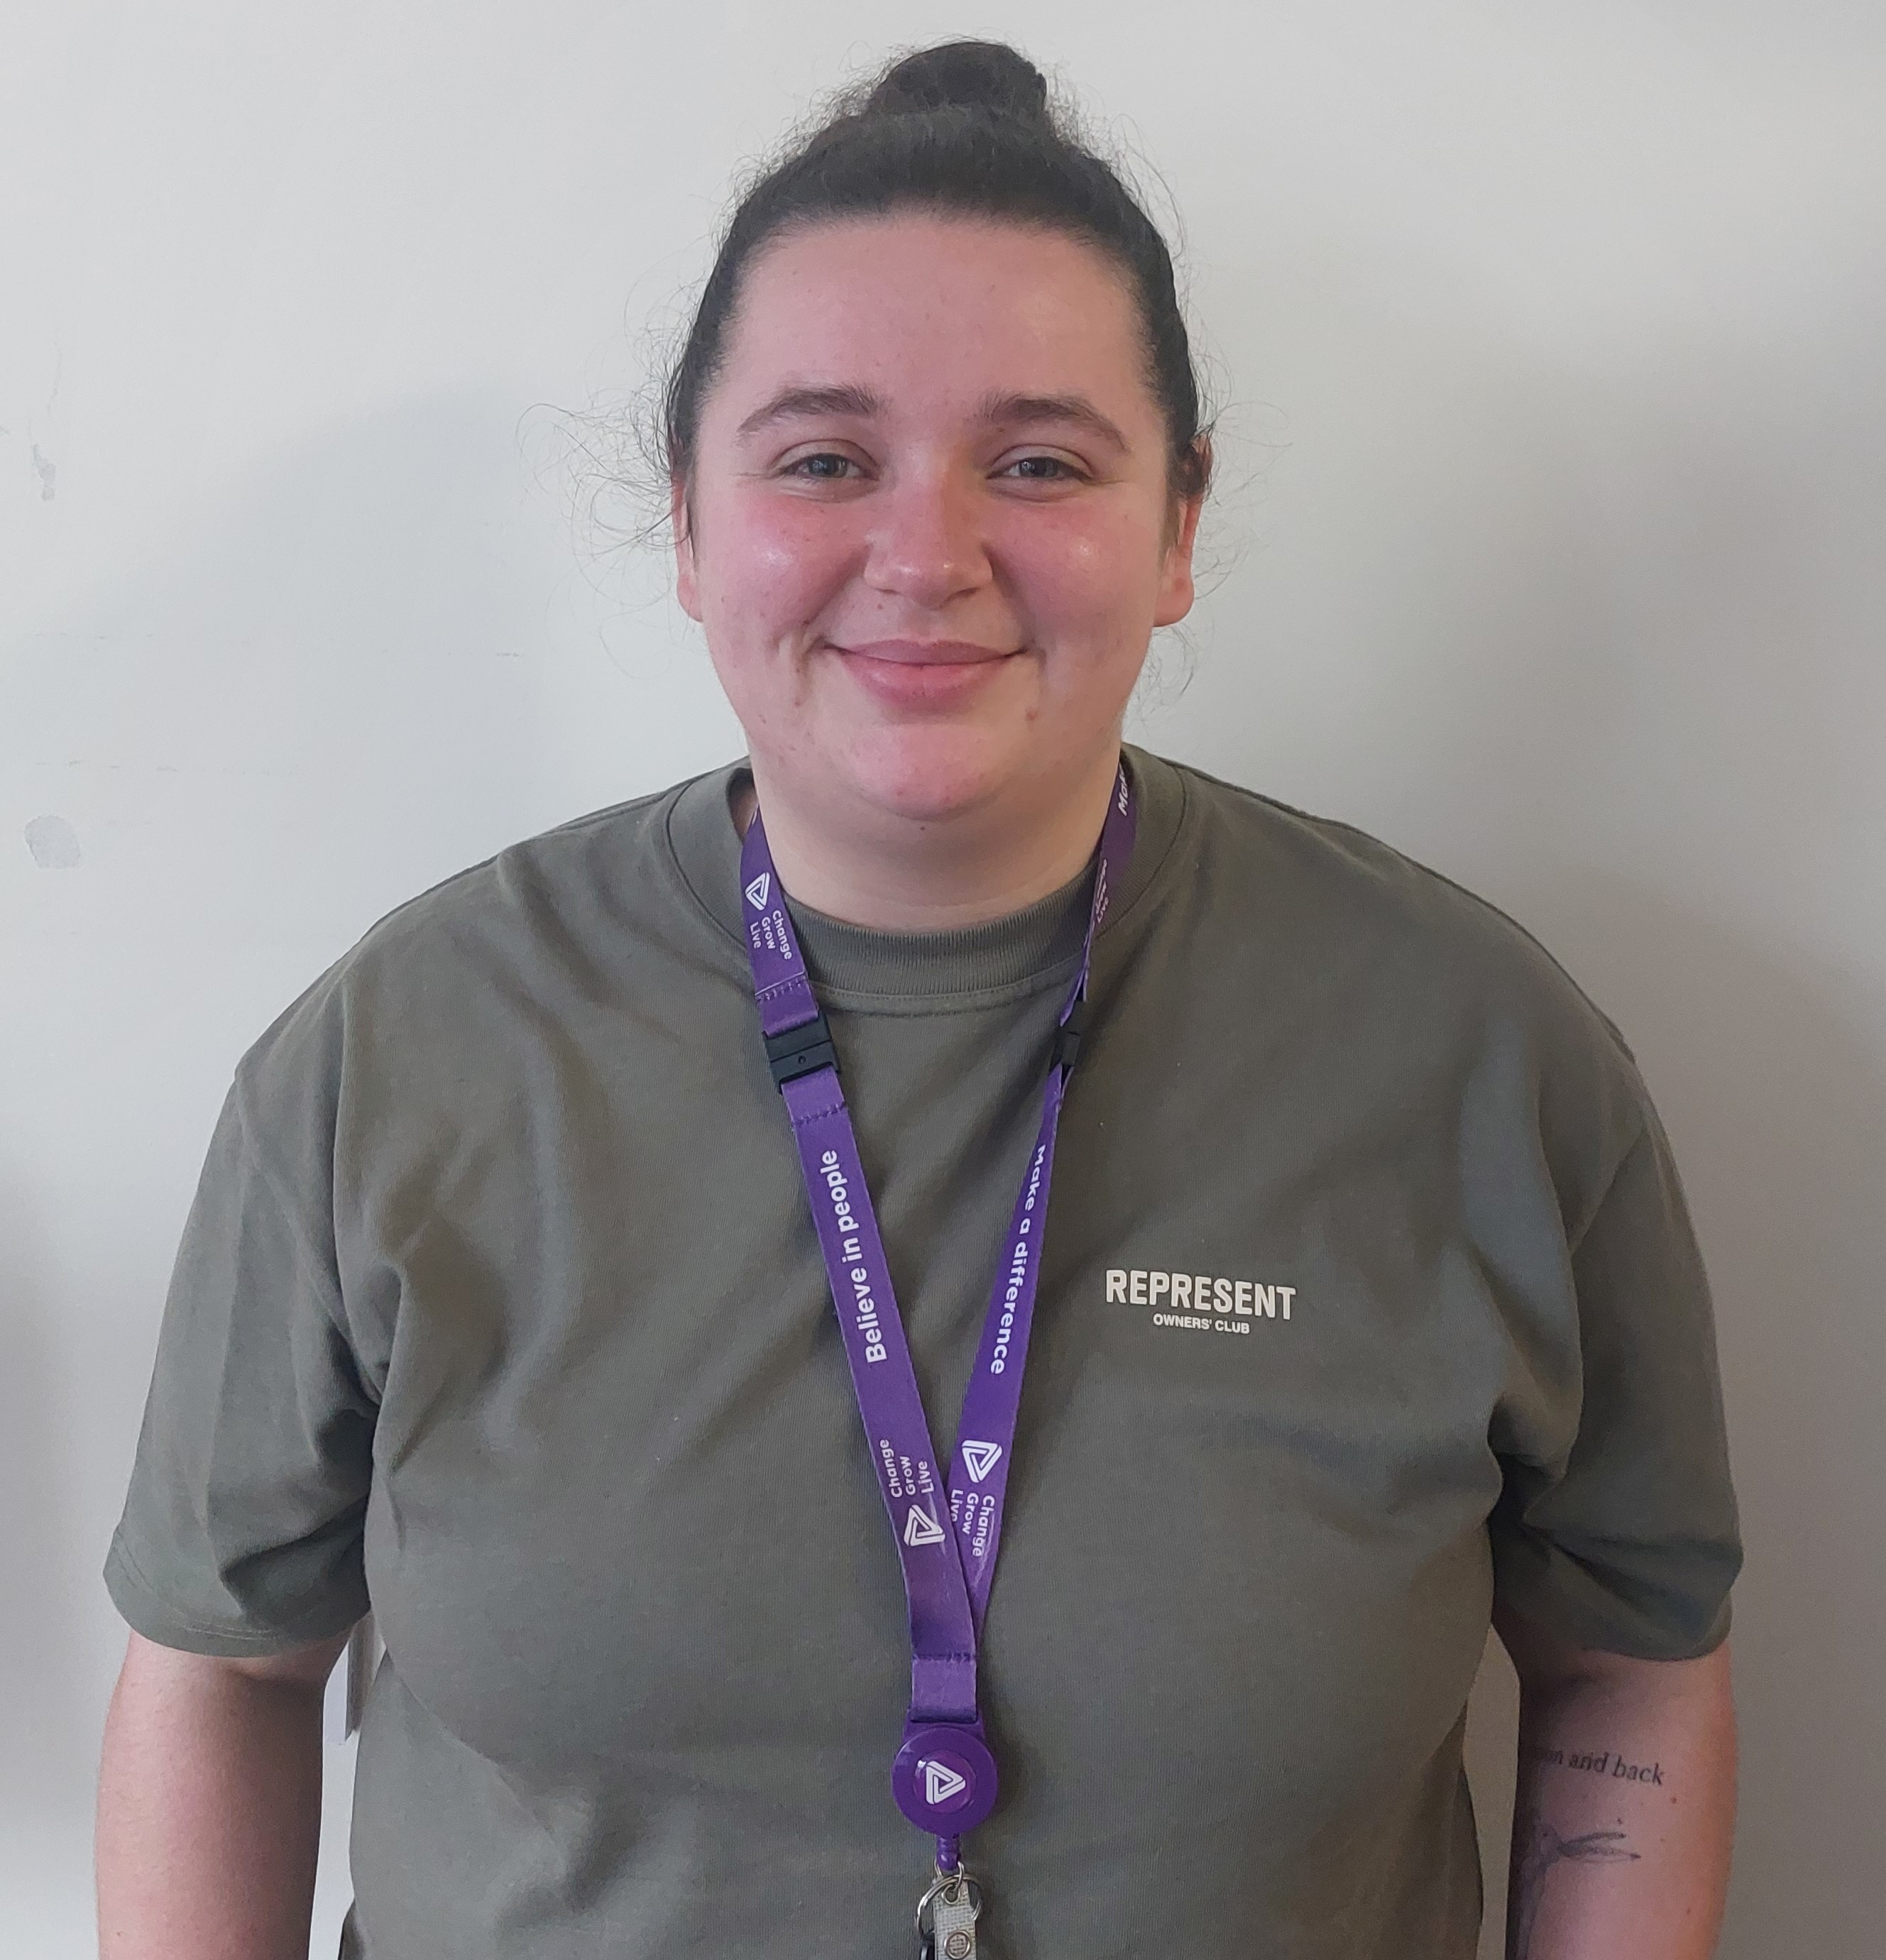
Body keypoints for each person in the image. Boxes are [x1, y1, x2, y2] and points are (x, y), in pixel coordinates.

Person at [94, 38, 1741, 1960]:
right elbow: (218, 1669)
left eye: (1038, 460)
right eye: (821, 459)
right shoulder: (398, 1052)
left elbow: (1629, 1666)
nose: (926, 553)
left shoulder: (1477, 1054)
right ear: (693, 524)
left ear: (1179, 524)